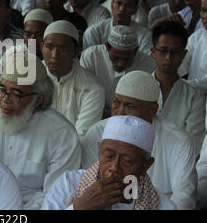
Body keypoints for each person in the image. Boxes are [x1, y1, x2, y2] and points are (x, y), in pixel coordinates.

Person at [0, 47, 81, 209]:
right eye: (2, 90)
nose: (4, 100)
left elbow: (56, 194)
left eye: (15, 94)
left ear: (37, 100)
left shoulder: (63, 135)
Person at [81, 71, 198, 210]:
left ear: (152, 110)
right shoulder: (97, 132)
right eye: (116, 103)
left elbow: (184, 197)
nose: (119, 113)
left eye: (130, 107)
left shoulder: (178, 140)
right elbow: (87, 185)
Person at [42, 115, 177, 210]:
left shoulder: (163, 206)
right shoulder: (68, 184)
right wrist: (80, 207)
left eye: (127, 161)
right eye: (108, 156)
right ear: (99, 152)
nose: (114, 167)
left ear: (145, 166)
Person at [150, 21, 206, 155]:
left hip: (176, 168)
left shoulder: (194, 97)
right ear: (153, 52)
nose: (168, 57)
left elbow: (192, 145)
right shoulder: (137, 88)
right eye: (163, 51)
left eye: (175, 52)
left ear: (184, 54)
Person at [41, 20, 105, 137]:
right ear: (41, 47)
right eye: (49, 47)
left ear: (76, 51)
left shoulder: (93, 88)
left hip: (72, 151)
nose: (55, 55)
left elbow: (82, 136)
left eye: (63, 48)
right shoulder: (28, 79)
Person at [80, 25, 156, 117]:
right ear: (107, 46)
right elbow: (84, 93)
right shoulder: (91, 56)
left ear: (136, 51)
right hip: (92, 112)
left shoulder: (148, 64)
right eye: (115, 57)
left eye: (127, 59)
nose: (120, 63)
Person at [83, 0, 153, 54]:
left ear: (135, 10)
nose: (122, 9)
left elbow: (144, 62)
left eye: (128, 5)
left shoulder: (145, 36)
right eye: (118, 3)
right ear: (112, 5)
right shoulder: (94, 32)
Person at [178, 0, 207, 95]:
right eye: (203, 10)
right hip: (192, 96)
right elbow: (181, 63)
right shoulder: (197, 36)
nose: (205, 16)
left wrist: (183, 85)